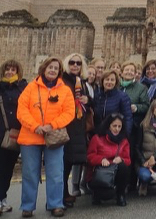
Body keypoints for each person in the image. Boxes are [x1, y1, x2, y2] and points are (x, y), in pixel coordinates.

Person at [16, 57, 75, 218]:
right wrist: (35, 126)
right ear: (43, 69)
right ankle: (28, 206)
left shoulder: (64, 90)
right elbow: (22, 110)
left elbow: (69, 112)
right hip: (30, 136)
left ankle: (55, 204)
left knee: (56, 172)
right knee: (29, 173)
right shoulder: (30, 88)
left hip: (54, 137)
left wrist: (52, 125)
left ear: (59, 72)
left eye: (56, 68)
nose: (53, 70)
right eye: (50, 67)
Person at [0, 59, 26, 216]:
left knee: (9, 168)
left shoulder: (23, 88)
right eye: (7, 69)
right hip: (0, 134)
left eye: (13, 70)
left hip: (17, 134)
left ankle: (3, 197)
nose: (10, 72)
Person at [61, 53, 92, 208]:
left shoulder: (82, 83)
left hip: (78, 126)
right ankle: (61, 195)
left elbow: (87, 103)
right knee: (64, 162)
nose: (75, 65)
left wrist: (88, 100)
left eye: (78, 63)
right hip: (65, 126)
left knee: (70, 161)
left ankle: (64, 194)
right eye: (72, 62)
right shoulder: (62, 81)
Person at [87, 113, 132, 207]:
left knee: (124, 167)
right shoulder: (97, 138)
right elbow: (90, 156)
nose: (117, 129)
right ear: (108, 125)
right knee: (106, 195)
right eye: (114, 126)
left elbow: (128, 160)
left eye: (120, 126)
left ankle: (121, 194)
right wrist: (100, 159)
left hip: (115, 171)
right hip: (100, 173)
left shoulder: (124, 141)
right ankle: (96, 194)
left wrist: (121, 159)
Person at [119, 61, 149, 192]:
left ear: (136, 74)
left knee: (129, 154)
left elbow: (146, 106)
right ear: (121, 72)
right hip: (116, 127)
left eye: (132, 70)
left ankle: (130, 184)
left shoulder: (141, 88)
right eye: (127, 70)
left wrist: (136, 108)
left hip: (133, 126)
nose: (129, 72)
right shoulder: (116, 86)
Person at [93, 70, 133, 137]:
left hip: (115, 134)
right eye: (107, 79)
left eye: (112, 80)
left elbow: (128, 117)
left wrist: (125, 135)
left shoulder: (122, 96)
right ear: (102, 81)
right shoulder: (97, 95)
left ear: (116, 82)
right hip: (99, 134)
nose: (109, 82)